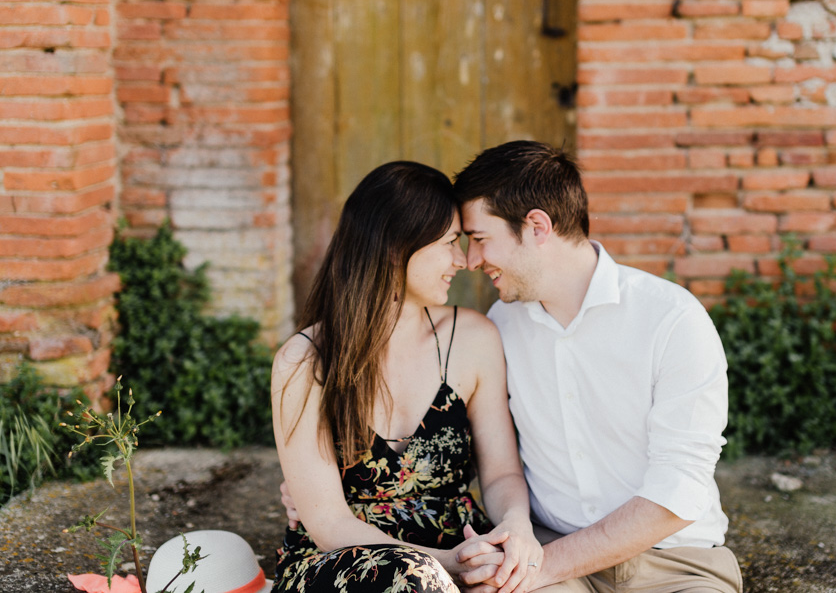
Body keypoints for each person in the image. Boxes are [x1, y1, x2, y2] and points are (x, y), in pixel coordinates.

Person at [450, 141, 742, 593]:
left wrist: (544, 567)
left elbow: (678, 490)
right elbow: (482, 449)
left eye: (480, 240)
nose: (471, 261)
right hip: (547, 554)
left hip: (675, 565)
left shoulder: (671, 319)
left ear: (536, 226)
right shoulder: (500, 326)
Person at [271, 161, 542, 593]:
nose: (464, 260)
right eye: (452, 242)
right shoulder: (305, 361)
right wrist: (444, 565)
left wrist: (513, 528)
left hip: (461, 546)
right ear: (397, 247)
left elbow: (501, 474)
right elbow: (327, 523)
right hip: (346, 563)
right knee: (415, 581)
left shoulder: (473, 339)